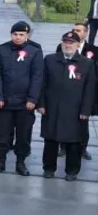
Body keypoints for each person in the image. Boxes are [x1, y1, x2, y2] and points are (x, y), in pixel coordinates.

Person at [38, 31, 94, 181]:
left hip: (75, 109)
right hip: (52, 107)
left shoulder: (86, 63)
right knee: (50, 140)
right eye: (65, 42)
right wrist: (41, 103)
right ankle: (49, 168)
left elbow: (90, 89)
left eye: (71, 43)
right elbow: (42, 83)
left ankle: (72, 171)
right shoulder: (50, 60)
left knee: (74, 142)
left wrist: (86, 110)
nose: (68, 45)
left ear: (77, 45)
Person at [0, 21, 42, 176]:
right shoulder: (2, 49)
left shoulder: (34, 51)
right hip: (4, 102)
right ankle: (0, 161)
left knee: (23, 135)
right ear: (11, 34)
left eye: (21, 34)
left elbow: (37, 76)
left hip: (25, 103)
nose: (18, 37)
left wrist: (32, 99)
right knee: (2, 134)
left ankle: (21, 163)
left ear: (27, 35)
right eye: (15, 34)